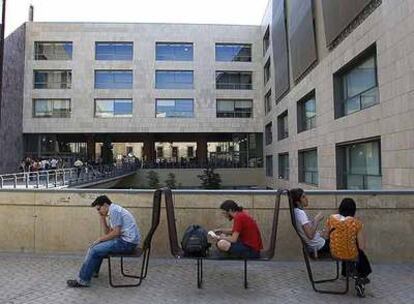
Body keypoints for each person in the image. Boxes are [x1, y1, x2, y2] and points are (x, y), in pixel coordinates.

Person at [67, 195, 141, 287]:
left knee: (94, 249)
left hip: (127, 244)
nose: (99, 211)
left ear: (105, 205)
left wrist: (99, 239)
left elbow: (116, 233)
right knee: (97, 247)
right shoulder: (112, 211)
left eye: (99, 209)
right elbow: (108, 233)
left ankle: (83, 281)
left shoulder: (114, 211)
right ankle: (92, 271)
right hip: (125, 241)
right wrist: (102, 218)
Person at [326, 198, 372, 285]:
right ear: (353, 210)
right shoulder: (356, 223)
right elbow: (362, 246)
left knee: (343, 242)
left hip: (334, 252)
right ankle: (362, 275)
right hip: (349, 254)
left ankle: (345, 273)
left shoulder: (331, 219)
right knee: (357, 250)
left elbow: (327, 236)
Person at [290, 188, 329, 255]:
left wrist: (319, 233)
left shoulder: (296, 211)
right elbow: (310, 235)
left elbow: (307, 232)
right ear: (297, 202)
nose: (306, 198)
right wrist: (317, 220)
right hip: (320, 246)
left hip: (317, 244)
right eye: (303, 197)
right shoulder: (300, 213)